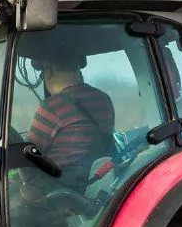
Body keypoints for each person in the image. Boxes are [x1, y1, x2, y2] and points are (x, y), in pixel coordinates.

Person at [25, 47, 115, 186]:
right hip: (98, 182)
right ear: (77, 70)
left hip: (61, 187)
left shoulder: (52, 106)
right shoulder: (103, 99)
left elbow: (30, 155)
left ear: (49, 72)